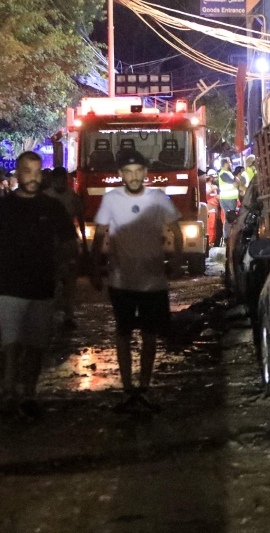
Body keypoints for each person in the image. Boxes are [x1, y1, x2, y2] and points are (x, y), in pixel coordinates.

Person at [0, 152, 76, 419]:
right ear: (18, 173)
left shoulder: (52, 207)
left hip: (42, 288)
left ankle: (28, 393)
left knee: (36, 346)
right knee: (11, 345)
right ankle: (9, 394)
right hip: (9, 287)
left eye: (38, 172)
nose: (33, 177)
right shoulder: (3, 208)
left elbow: (69, 242)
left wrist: (62, 270)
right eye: (28, 171)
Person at [91, 150, 183, 413]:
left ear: (145, 173)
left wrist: (176, 262)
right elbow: (99, 234)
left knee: (149, 335)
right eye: (127, 171)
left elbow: (176, 229)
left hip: (152, 281)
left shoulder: (158, 198)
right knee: (123, 333)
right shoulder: (111, 199)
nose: (133, 176)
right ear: (120, 175)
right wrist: (95, 268)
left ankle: (144, 388)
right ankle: (128, 389)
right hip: (121, 281)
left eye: (137, 171)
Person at [45, 167, 87, 328]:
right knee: (52, 280)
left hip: (68, 244)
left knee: (70, 282)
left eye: (63, 179)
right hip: (51, 245)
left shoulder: (73, 198)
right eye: (58, 180)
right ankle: (50, 314)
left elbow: (81, 219)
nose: (60, 182)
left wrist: (83, 242)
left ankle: (68, 315)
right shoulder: (46, 196)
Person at [218, 158, 240, 239]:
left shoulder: (227, 173)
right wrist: (237, 180)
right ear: (225, 163)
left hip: (228, 199)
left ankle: (227, 236)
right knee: (230, 218)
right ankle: (227, 236)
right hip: (229, 199)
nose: (230, 163)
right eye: (229, 162)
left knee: (229, 218)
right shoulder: (224, 174)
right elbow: (235, 183)